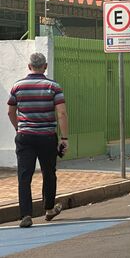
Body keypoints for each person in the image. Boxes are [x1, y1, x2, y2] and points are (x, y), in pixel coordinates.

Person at [7, 53, 69, 228]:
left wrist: (19, 128)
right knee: (49, 173)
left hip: (25, 137)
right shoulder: (53, 86)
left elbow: (10, 112)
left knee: (24, 176)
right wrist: (64, 138)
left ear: (29, 66)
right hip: (47, 137)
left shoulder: (17, 86)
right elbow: (62, 113)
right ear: (45, 66)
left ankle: (25, 215)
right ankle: (49, 209)